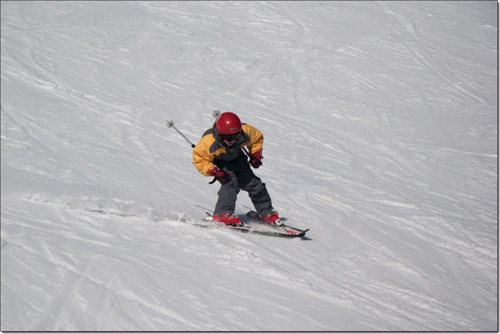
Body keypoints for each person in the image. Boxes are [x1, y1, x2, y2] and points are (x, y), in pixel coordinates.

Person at [193, 112, 283, 227]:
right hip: (220, 161)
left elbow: (257, 139)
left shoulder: (246, 131)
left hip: (238, 157)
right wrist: (214, 171)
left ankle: (266, 212)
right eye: (227, 137)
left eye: (235, 136)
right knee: (230, 183)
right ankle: (222, 214)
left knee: (254, 184)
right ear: (219, 134)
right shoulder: (208, 142)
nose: (232, 140)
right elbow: (199, 159)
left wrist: (255, 154)